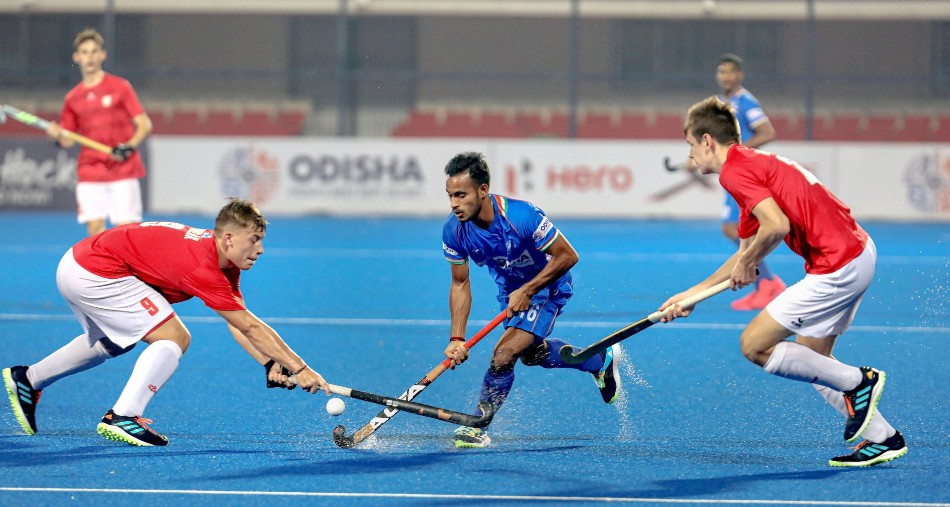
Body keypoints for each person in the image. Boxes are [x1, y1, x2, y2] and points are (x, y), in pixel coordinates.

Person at [660, 96, 906, 467]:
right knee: (813, 361)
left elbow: (777, 227)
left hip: (837, 264)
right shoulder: (748, 168)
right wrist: (690, 295)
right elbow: (741, 254)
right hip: (858, 253)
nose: (691, 157)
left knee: (754, 345)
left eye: (692, 146)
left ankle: (861, 381)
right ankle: (883, 437)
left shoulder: (734, 170)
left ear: (708, 141)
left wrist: (751, 260)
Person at [2, 198, 330, 447]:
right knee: (174, 337)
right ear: (229, 238)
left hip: (80, 264)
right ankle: (123, 417)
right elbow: (250, 326)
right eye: (254, 239)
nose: (260, 249)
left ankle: (29, 379)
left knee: (114, 341)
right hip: (95, 271)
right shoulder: (202, 265)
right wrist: (301, 368)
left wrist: (270, 362)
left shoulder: (222, 260)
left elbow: (236, 322)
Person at [441, 151, 620, 449]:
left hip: (547, 287)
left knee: (503, 355)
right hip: (510, 291)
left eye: (461, 195)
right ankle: (599, 361)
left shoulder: (520, 216)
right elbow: (460, 283)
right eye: (450, 196)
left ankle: (477, 425)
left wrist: (528, 290)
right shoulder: (454, 230)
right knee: (530, 355)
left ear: (483, 190)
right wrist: (457, 337)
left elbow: (567, 255)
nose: (454, 204)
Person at [45, 28, 152, 237]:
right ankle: (98, 270)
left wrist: (128, 146)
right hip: (91, 170)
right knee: (94, 232)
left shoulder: (120, 87)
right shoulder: (73, 97)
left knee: (125, 232)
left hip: (122, 169)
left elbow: (144, 124)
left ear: (102, 55)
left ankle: (127, 271)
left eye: (94, 51)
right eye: (84, 52)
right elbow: (67, 140)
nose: (90, 56)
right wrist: (56, 135)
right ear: (76, 57)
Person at [714, 53, 784, 311]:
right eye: (722, 72)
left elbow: (767, 132)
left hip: (744, 171)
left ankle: (767, 282)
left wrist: (736, 151)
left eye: (731, 72)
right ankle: (763, 284)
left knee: (733, 228)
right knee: (734, 228)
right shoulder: (723, 102)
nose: (726, 77)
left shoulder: (746, 102)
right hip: (732, 171)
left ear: (739, 75)